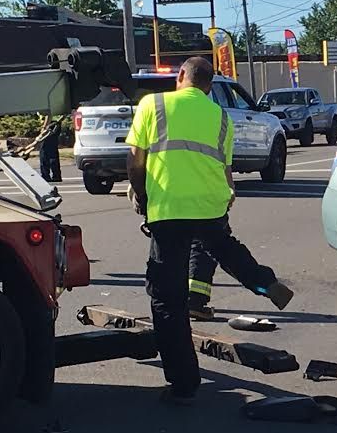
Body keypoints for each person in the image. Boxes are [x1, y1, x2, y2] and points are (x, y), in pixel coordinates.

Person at [125, 56, 294, 405]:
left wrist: (141, 194)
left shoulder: (152, 104)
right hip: (210, 202)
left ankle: (184, 383)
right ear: (208, 84)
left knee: (167, 297)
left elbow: (135, 159)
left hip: (170, 207)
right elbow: (225, 169)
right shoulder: (220, 116)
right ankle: (266, 282)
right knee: (225, 249)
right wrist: (226, 196)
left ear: (182, 77)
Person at [38, 115, 63, 183]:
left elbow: (47, 114)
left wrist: (44, 127)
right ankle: (56, 175)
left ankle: (45, 175)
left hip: (49, 124)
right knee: (53, 151)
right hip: (56, 124)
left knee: (44, 151)